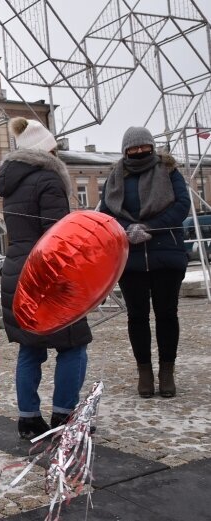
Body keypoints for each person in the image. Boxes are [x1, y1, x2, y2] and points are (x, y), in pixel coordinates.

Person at [0, 117, 93, 439]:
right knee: (74, 346)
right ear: (46, 150)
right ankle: (65, 417)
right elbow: (58, 235)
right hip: (46, 271)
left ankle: (28, 419)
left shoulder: (12, 182)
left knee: (30, 348)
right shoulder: (48, 179)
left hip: (17, 269)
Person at [99, 127, 190, 398]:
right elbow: (106, 211)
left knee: (166, 314)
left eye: (143, 147)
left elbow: (181, 205)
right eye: (133, 148)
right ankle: (145, 373)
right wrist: (129, 228)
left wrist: (150, 227)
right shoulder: (115, 176)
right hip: (131, 258)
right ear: (125, 151)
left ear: (151, 146)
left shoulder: (169, 170)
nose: (139, 152)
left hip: (166, 254)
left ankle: (167, 372)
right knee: (137, 317)